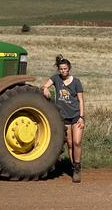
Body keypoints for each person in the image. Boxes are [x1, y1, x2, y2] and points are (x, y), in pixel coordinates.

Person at [40, 54, 85, 183]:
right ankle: (73, 168)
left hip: (76, 116)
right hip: (63, 117)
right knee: (70, 144)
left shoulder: (76, 82)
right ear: (58, 70)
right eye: (61, 69)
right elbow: (44, 86)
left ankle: (77, 167)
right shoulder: (56, 79)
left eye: (65, 69)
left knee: (77, 142)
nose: (63, 71)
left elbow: (81, 100)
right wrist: (45, 89)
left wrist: (81, 117)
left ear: (69, 68)